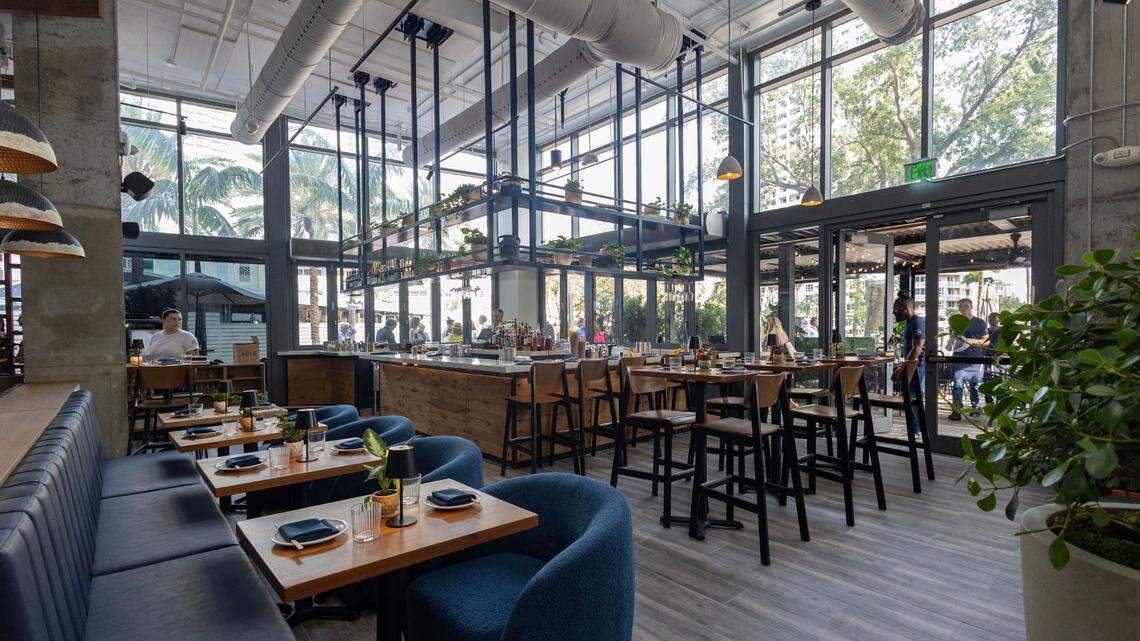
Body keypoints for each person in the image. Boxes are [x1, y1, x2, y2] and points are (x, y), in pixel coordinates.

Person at [943, 298, 987, 420]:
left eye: (966, 306)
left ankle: (975, 408)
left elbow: (986, 341)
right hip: (958, 357)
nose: (963, 308)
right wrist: (949, 344)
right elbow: (952, 338)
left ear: (971, 307)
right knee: (957, 385)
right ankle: (956, 411)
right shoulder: (955, 322)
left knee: (975, 385)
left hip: (975, 358)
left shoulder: (980, 322)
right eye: (960, 306)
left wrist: (969, 341)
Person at [892, 292, 925, 437]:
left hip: (917, 365)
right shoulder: (910, 323)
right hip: (913, 365)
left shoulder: (917, 322)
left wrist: (903, 368)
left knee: (911, 397)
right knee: (909, 397)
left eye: (896, 309)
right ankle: (916, 430)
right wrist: (899, 339)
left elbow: (918, 347)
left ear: (906, 308)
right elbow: (911, 341)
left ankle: (916, 431)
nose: (894, 312)